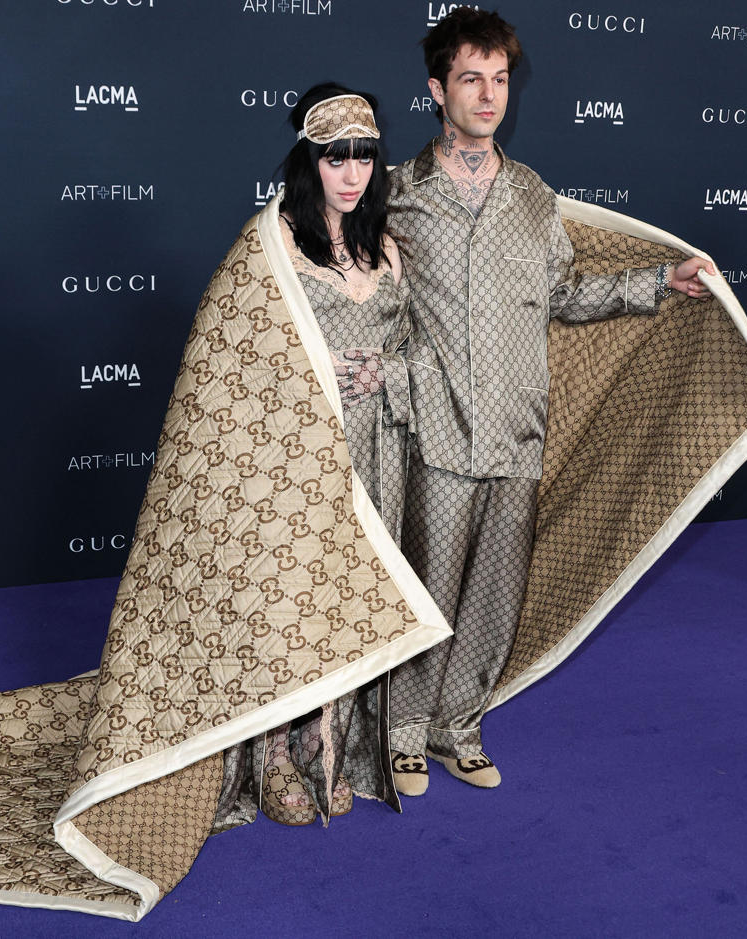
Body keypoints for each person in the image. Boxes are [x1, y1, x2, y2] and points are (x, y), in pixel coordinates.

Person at [386, 8, 718, 796]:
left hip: (518, 423)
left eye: (500, 79)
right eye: (471, 79)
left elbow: (563, 292)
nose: (489, 95)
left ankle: (456, 724)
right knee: (425, 583)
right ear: (437, 90)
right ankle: (400, 730)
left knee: (496, 587)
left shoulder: (535, 197)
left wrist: (654, 283)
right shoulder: (396, 193)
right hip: (435, 423)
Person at [258, 83, 413, 826]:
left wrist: (389, 370)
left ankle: (332, 743)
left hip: (377, 451)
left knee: (350, 601)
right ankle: (273, 755)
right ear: (309, 160)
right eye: (334, 157)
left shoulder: (385, 243)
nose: (351, 172)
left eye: (364, 155)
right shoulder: (275, 241)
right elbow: (245, 351)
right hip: (300, 454)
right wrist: (319, 370)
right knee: (294, 601)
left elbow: (414, 342)